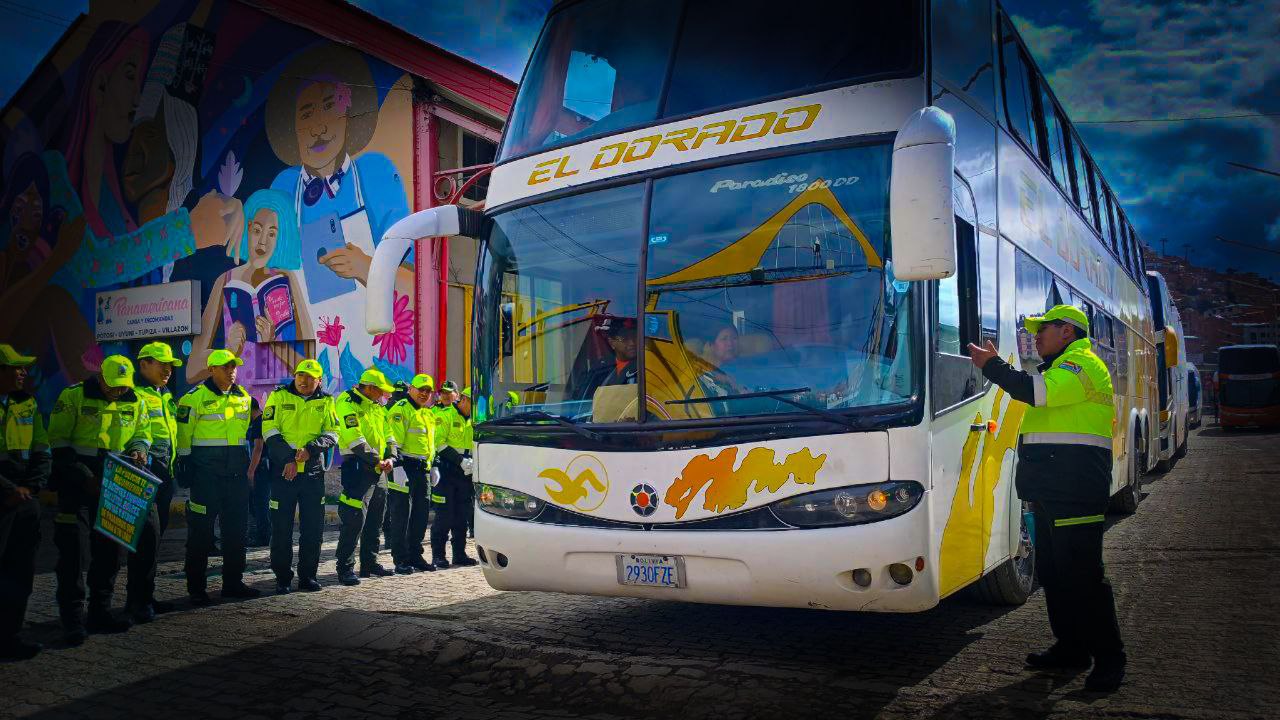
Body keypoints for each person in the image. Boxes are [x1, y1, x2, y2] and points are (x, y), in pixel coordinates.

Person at [968, 304, 1125, 692]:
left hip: (1075, 491)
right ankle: (1071, 649)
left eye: (1044, 329)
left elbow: (1035, 394)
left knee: (1085, 578)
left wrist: (991, 366)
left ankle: (1110, 660)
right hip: (1054, 489)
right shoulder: (1060, 368)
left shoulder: (1081, 366)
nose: (1036, 336)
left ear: (1067, 332)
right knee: (1054, 575)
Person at [47, 354, 151, 644]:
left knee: (111, 551)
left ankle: (100, 612)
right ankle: (71, 619)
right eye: (113, 386)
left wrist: (140, 449)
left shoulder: (136, 399)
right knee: (73, 552)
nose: (119, 391)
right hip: (77, 482)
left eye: (123, 386)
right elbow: (57, 440)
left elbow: (142, 433)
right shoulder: (74, 396)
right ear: (101, 377)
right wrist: (83, 476)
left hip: (116, 479)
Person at [176, 349, 261, 605]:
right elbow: (183, 436)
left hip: (235, 476)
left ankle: (233, 584)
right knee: (201, 534)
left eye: (234, 367)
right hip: (206, 477)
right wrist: (185, 465)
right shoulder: (193, 399)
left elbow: (250, 430)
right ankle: (196, 589)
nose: (231, 372)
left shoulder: (244, 398)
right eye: (226, 367)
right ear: (211, 369)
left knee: (236, 533)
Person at [262, 359, 337, 594]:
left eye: (310, 377)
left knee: (313, 529)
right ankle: (282, 577)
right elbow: (269, 430)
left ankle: (308, 577)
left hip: (313, 473)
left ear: (319, 380)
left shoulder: (326, 401)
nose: (304, 381)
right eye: (300, 376)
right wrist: (288, 459)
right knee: (282, 528)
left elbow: (333, 432)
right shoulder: (279, 396)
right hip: (284, 472)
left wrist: (311, 449)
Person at [0, 344, 50, 660]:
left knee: (20, 573)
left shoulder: (27, 404)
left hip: (24, 500)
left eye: (23, 368)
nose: (23, 373)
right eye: (16, 368)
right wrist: (7, 488)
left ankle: (10, 637)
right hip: (3, 499)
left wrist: (30, 487)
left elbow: (42, 448)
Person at [127, 341, 182, 624]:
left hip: (165, 474)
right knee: (144, 539)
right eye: (162, 364)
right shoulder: (133, 395)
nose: (168, 370)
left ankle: (146, 596)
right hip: (143, 474)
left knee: (154, 541)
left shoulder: (165, 394)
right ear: (144, 364)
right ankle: (136, 602)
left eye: (171, 365)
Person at [334, 368, 397, 586]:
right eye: (380, 391)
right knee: (354, 520)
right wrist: (376, 460)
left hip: (379, 467)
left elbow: (389, 434)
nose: (383, 395)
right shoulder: (347, 403)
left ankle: (369, 563)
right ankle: (345, 568)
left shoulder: (377, 406)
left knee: (376, 518)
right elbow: (354, 438)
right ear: (369, 388)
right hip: (359, 466)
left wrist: (391, 457)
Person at [386, 374, 438, 574]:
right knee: (401, 516)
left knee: (420, 516)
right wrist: (397, 467)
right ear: (411, 389)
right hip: (404, 468)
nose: (424, 394)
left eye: (428, 391)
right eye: (420, 389)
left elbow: (430, 444)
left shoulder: (428, 414)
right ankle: (400, 559)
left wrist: (434, 465)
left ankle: (416, 555)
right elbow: (394, 441)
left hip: (422, 469)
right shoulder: (401, 410)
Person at [430, 381, 477, 568]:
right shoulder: (446, 415)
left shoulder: (475, 419)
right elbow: (439, 443)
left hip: (466, 474)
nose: (475, 407)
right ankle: (438, 556)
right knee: (444, 516)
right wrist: (460, 460)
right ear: (463, 399)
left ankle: (459, 554)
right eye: (472, 402)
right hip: (447, 472)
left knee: (462, 516)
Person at [245, 397, 271, 548]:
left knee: (260, 503)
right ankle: (263, 535)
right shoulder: (264, 419)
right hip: (264, 467)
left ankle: (263, 537)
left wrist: (251, 471)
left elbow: (258, 448)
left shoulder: (258, 422)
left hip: (260, 467)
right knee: (261, 503)